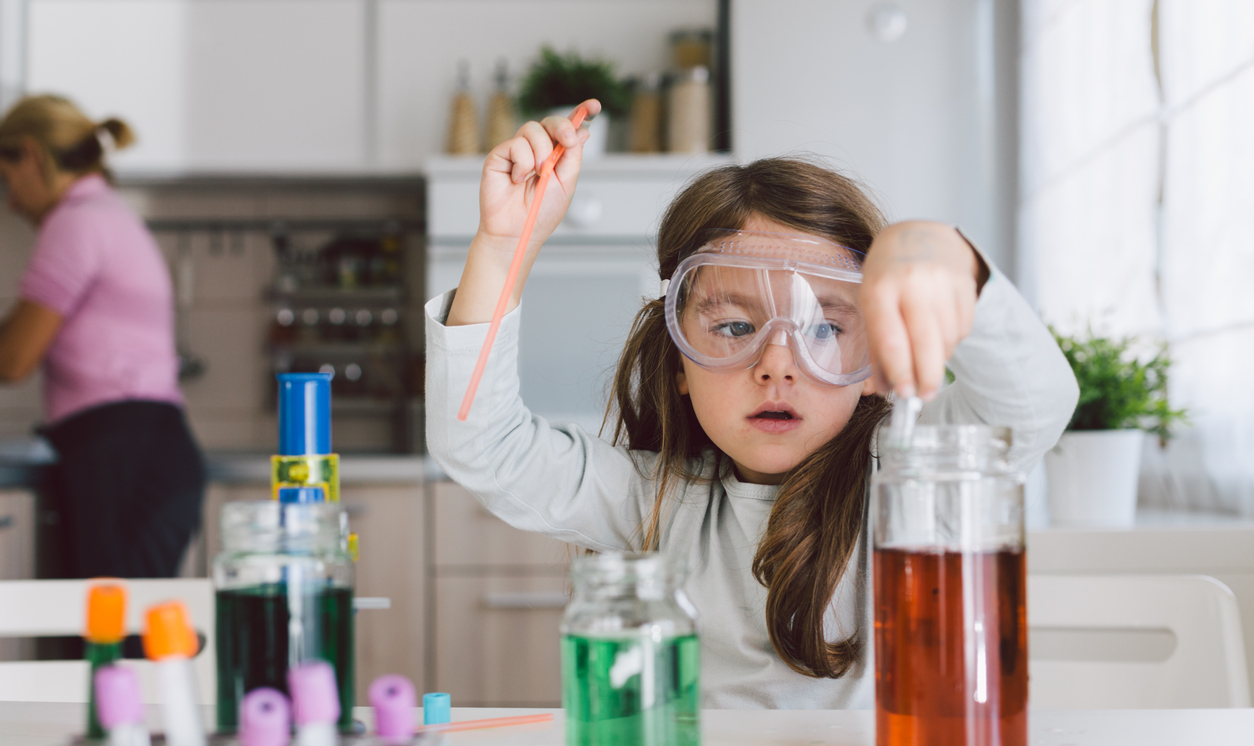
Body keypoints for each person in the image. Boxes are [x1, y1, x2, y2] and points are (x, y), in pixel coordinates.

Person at [426, 100, 1079, 708]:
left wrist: (950, 257)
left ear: (874, 361)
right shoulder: (652, 500)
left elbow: (1033, 406)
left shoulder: (905, 474)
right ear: (679, 360)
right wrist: (503, 249)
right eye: (735, 328)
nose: (776, 365)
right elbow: (483, 444)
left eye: (824, 328)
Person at [0, 95, 204, 580]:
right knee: (121, 639)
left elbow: (13, 359)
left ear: (30, 155)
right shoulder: (101, 214)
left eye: (6, 179)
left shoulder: (77, 223)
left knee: (118, 641)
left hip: (126, 456)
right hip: (137, 453)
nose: (9, 201)